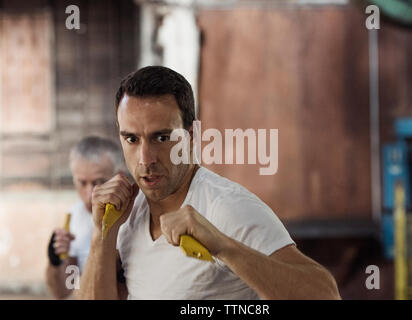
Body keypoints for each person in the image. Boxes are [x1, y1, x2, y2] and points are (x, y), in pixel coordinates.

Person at [78, 66, 341, 300]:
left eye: (162, 138)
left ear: (191, 136)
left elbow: (326, 295)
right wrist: (103, 234)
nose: (145, 159)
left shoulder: (226, 208)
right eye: (132, 139)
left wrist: (222, 246)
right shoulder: (126, 214)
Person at [46, 136, 126, 299]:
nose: (90, 194)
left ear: (118, 175)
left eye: (99, 182)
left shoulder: (137, 213)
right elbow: (64, 291)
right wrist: (55, 261)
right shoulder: (75, 215)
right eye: (82, 183)